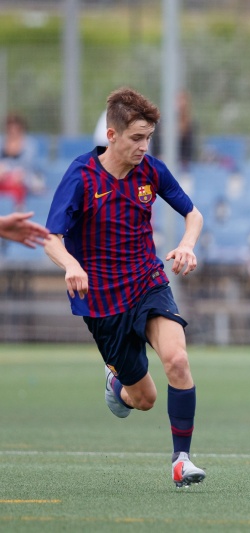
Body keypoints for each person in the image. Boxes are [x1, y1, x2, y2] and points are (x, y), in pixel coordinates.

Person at [43, 87, 207, 487]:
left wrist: (187, 245)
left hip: (147, 282)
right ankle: (117, 381)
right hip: (101, 302)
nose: (144, 146)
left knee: (178, 361)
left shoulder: (152, 171)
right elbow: (51, 237)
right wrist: (70, 265)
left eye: (148, 137)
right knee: (144, 400)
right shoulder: (81, 176)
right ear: (112, 136)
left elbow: (193, 213)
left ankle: (181, 461)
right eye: (136, 138)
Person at [0, 113, 45, 208]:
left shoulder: (30, 144)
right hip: (4, 178)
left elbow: (28, 166)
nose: (13, 128)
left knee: (18, 181)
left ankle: (19, 210)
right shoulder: (2, 142)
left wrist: (15, 173)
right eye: (10, 125)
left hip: (24, 178)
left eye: (15, 125)